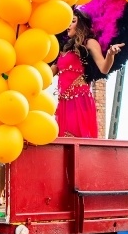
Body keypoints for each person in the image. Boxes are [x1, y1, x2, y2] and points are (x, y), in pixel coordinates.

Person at [50, 9, 124, 138]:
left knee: (75, 138)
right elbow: (47, 75)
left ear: (81, 24)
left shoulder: (89, 43)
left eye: (72, 21)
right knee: (64, 141)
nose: (68, 25)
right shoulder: (64, 49)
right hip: (63, 103)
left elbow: (104, 68)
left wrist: (110, 54)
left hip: (80, 99)